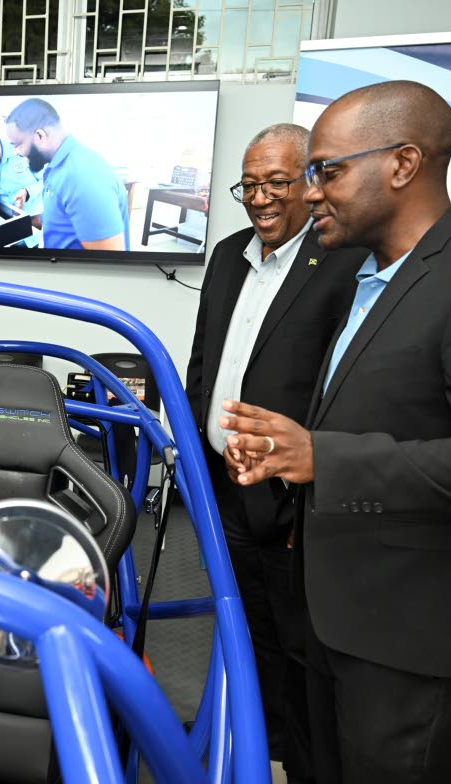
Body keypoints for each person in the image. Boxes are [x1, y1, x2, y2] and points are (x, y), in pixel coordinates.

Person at [220, 81, 451, 783]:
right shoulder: (371, 280)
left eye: (327, 170)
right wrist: (291, 455)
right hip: (346, 610)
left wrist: (324, 457)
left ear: (403, 164)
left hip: (425, 632)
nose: (310, 193)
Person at [186, 123, 365, 783]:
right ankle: (249, 754)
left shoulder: (344, 264)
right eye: (248, 185)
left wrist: (308, 494)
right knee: (243, 632)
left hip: (293, 504)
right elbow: (206, 358)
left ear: (311, 183)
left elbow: (343, 388)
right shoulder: (231, 252)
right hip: (221, 490)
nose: (259, 198)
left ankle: (301, 767)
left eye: (277, 183)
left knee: (302, 652)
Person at [4, 97, 128, 251]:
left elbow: (108, 261)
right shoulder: (57, 167)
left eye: (18, 145)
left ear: (40, 136)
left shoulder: (83, 176)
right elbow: (63, 219)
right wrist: (28, 221)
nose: (17, 152)